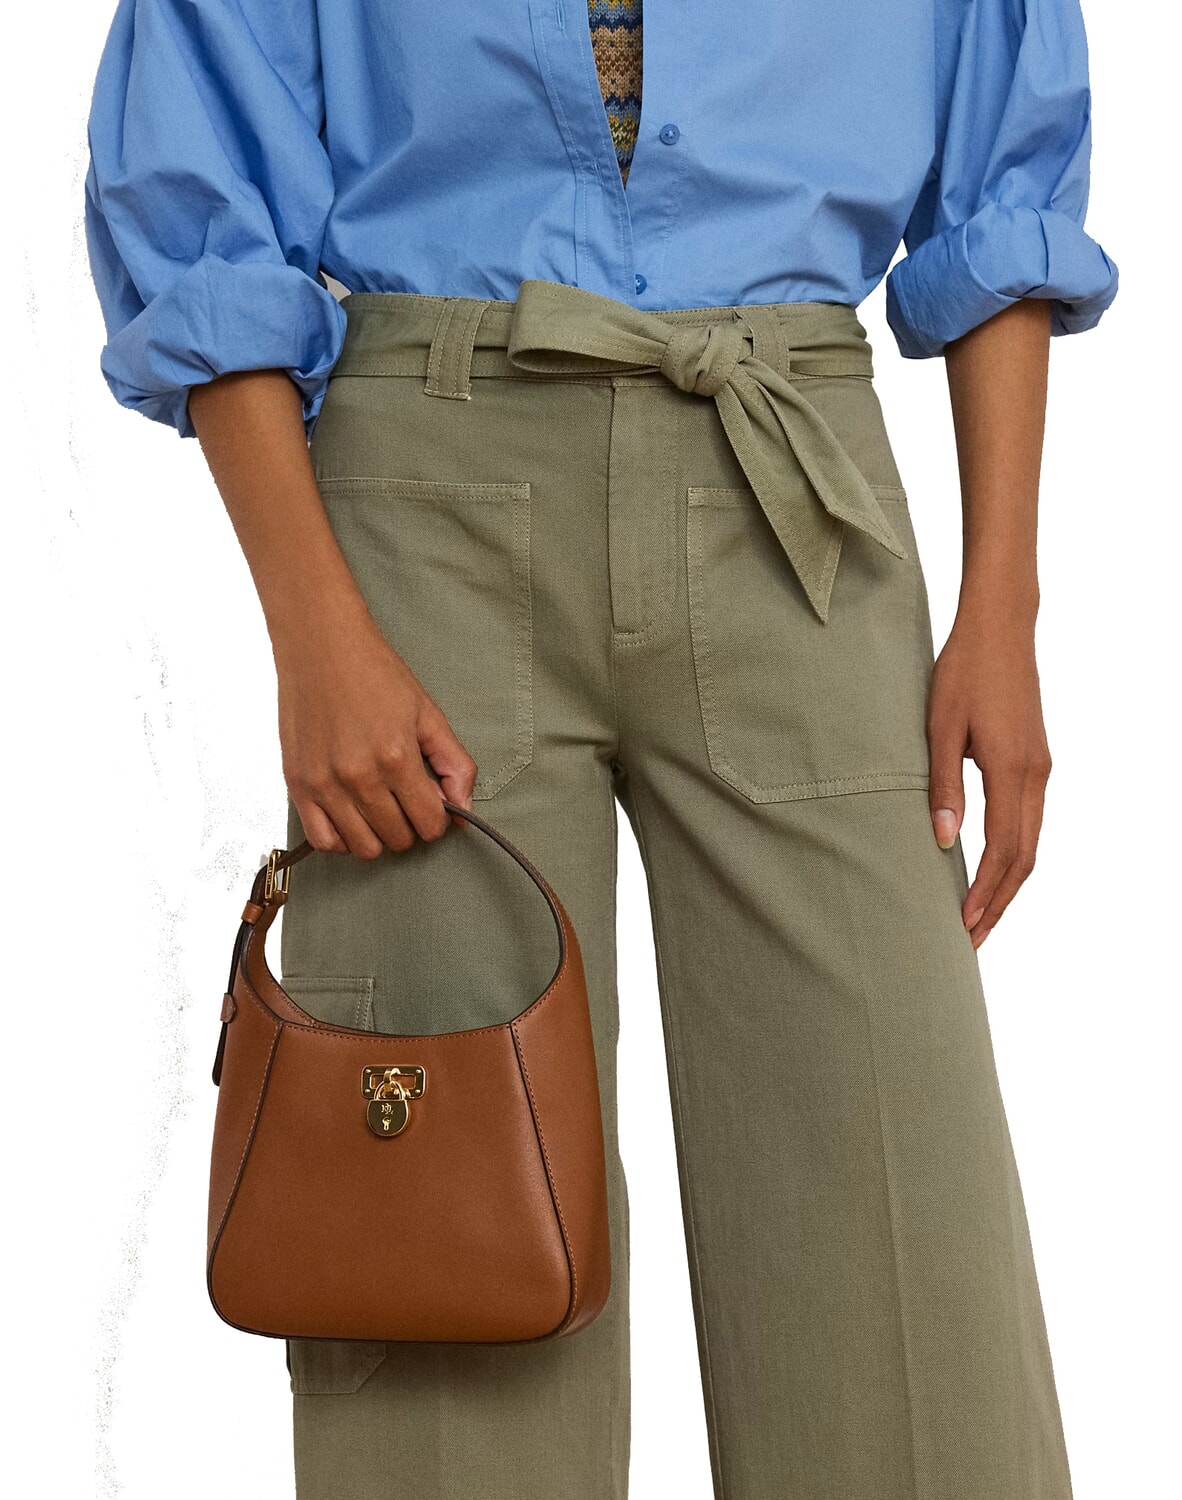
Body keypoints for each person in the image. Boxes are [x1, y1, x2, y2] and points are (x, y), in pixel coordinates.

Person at [82, 1, 1117, 1496]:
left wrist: (1002, 609)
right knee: (444, 1241)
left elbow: (1004, 178)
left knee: (903, 1224)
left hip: (796, 487)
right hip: (422, 522)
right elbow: (200, 169)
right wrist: (314, 635)